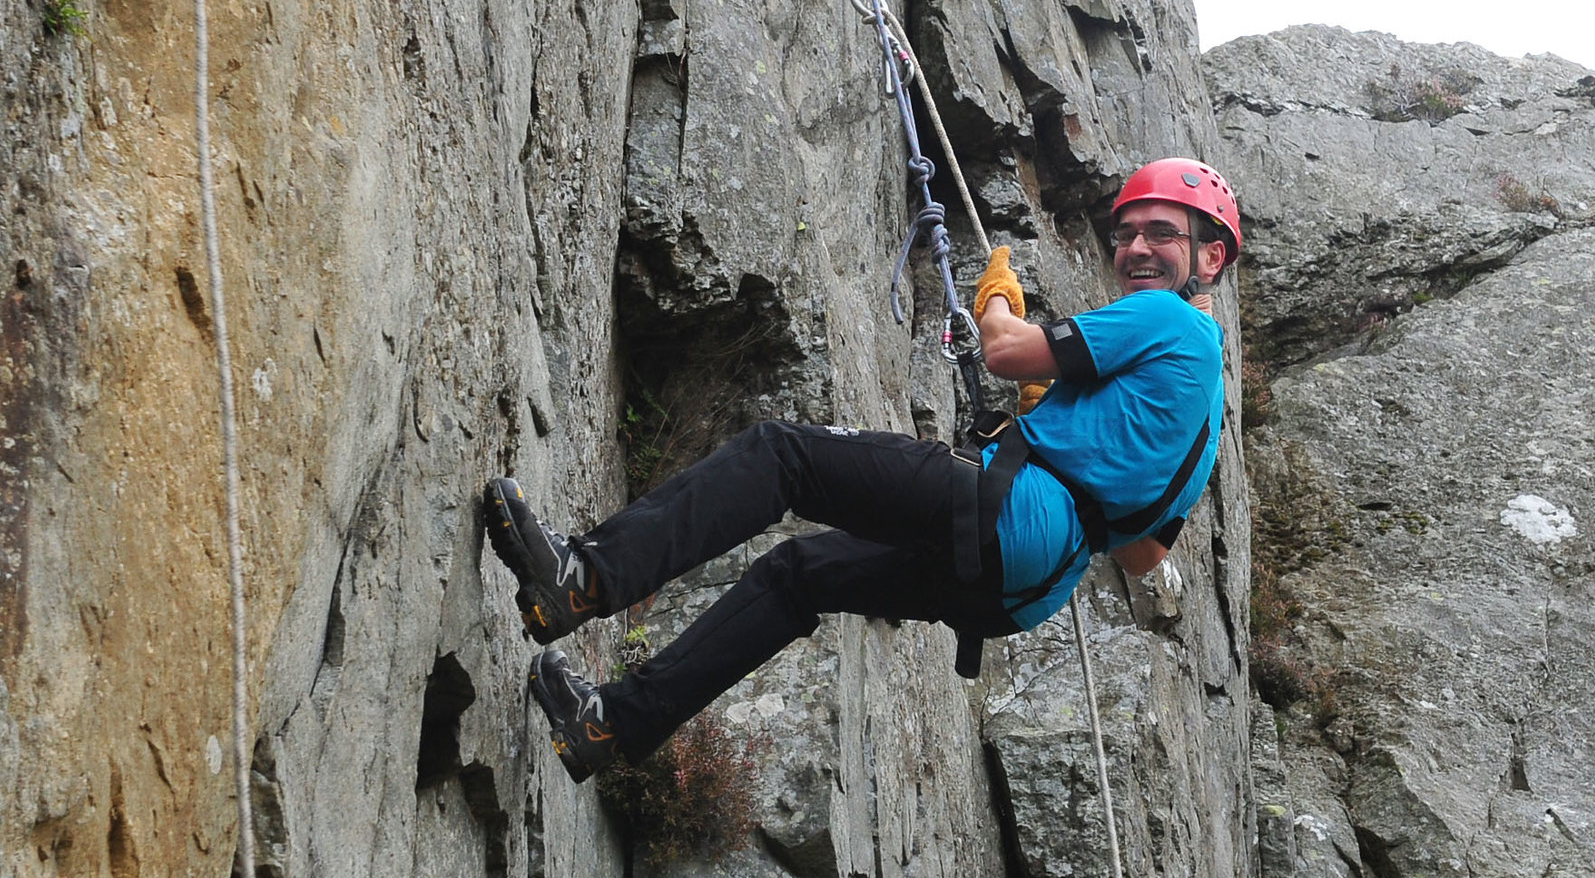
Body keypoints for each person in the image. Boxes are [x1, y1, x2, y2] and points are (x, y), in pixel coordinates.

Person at [483, 157, 1240, 782]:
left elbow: (1007, 351)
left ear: (1210, 257)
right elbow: (1144, 553)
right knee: (799, 575)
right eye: (1128, 233)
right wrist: (1072, 431)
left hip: (1012, 517)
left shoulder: (1167, 317)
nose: (1137, 248)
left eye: (1163, 234)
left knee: (784, 456)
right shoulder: (1207, 418)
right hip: (1023, 589)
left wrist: (1000, 305)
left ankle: (583, 577)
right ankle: (611, 727)